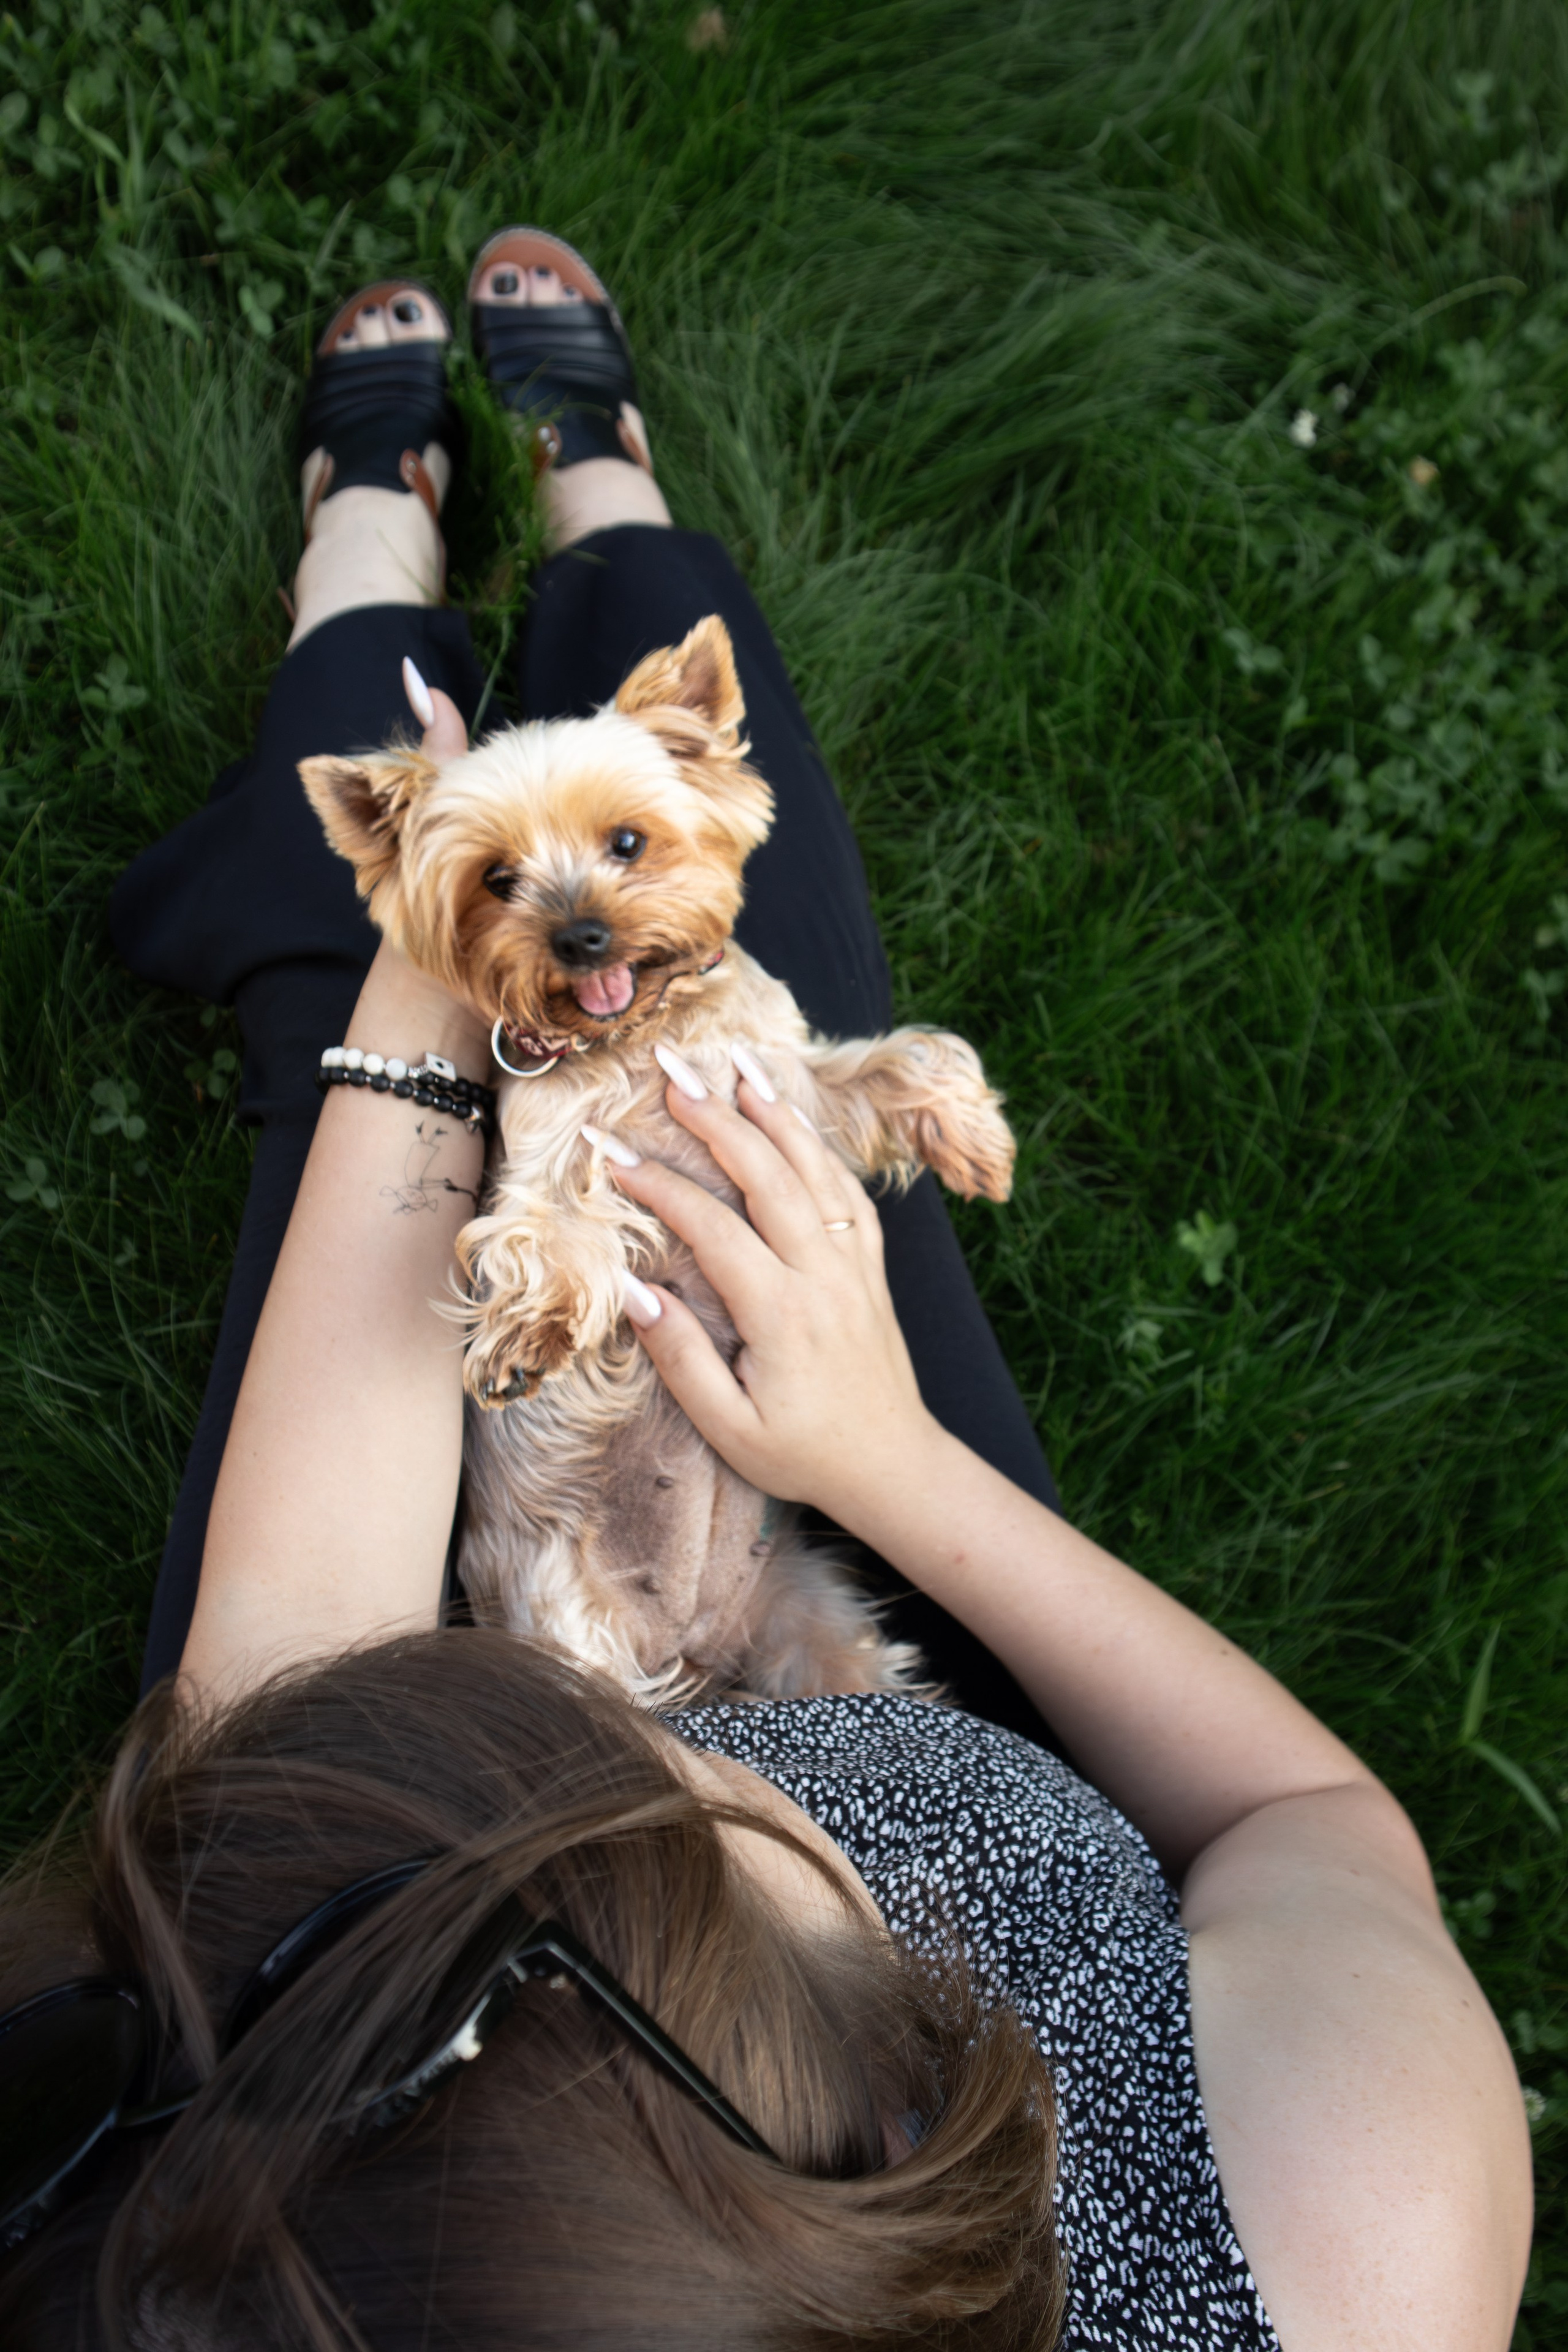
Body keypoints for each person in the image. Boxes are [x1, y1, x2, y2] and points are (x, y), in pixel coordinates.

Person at [0, 233, 1531, 2351]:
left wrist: (421, 965)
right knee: (758, 938)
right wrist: (877, 1456)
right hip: (831, 1567)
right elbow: (1309, 1821)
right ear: (891, 2166)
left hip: (455, 1670)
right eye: (657, 1858)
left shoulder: (262, 2073)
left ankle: (365, 580)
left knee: (358, 1067)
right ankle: (599, 489)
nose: (663, 1789)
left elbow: (285, 1711)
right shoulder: (1329, 2258)